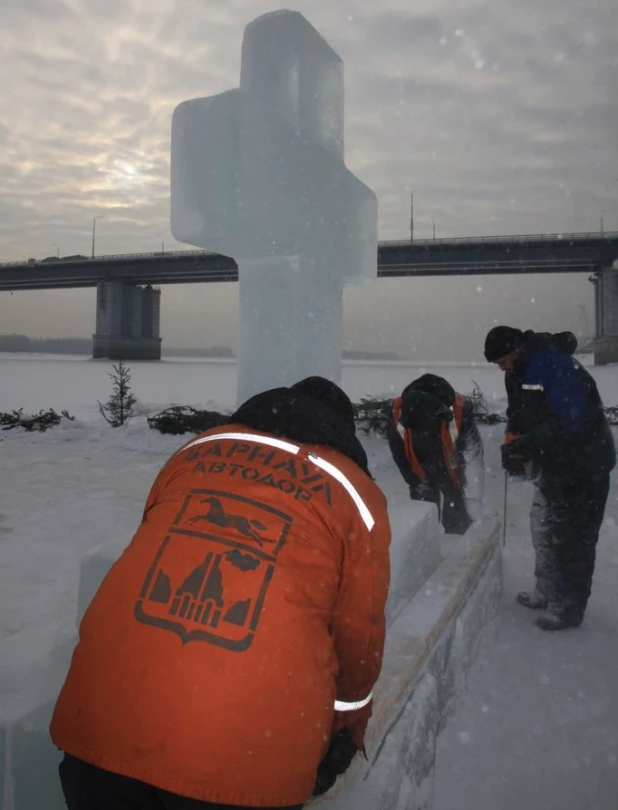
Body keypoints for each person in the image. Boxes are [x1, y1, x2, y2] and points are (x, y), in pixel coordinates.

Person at [49, 376, 391, 809]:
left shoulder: (195, 452)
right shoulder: (355, 495)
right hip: (242, 766)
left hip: (100, 732)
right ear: (342, 431)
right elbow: (360, 634)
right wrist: (347, 720)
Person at [484, 325, 616, 631]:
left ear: (516, 348)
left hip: (585, 464)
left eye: (502, 359)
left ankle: (567, 608)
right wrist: (512, 444)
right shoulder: (516, 371)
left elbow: (571, 421)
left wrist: (529, 444)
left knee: (572, 538)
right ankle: (545, 592)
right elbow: (518, 414)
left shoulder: (553, 364)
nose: (501, 366)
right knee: (544, 528)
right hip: (554, 462)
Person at [387, 373, 485, 535]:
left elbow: (473, 458)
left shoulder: (459, 410)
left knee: (457, 519)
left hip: (453, 471)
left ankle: (456, 546)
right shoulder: (397, 412)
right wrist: (414, 481)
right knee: (422, 520)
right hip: (419, 468)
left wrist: (472, 501)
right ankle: (425, 550)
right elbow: (398, 452)